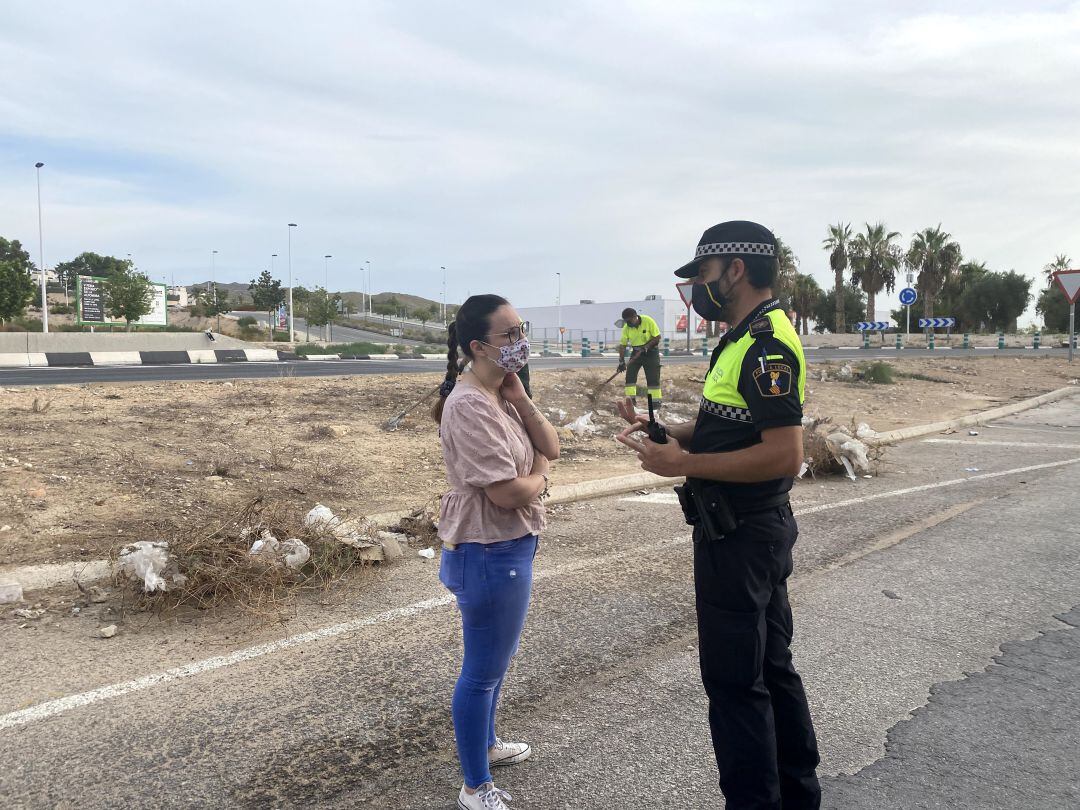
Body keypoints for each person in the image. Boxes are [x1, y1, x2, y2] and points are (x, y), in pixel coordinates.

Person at [617, 221, 821, 809]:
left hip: (741, 534)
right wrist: (665, 434)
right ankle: (795, 797)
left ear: (734, 269)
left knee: (736, 684)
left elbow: (785, 452)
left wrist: (682, 464)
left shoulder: (767, 345)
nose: (697, 288)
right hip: (747, 530)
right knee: (770, 669)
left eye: (703, 274)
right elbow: (731, 430)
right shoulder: (742, 337)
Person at [431, 294, 560, 810]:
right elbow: (508, 493)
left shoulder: (501, 394)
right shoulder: (467, 405)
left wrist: (522, 397)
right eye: (509, 335)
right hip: (488, 550)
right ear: (477, 346)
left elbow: (550, 444)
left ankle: (486, 746)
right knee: (482, 671)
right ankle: (475, 787)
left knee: (496, 663)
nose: (520, 343)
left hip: (510, 543)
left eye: (521, 330)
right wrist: (541, 479)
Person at [617, 307, 663, 408]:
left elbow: (657, 337)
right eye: (626, 321)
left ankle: (655, 403)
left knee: (653, 379)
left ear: (635, 317)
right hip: (636, 353)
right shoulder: (626, 328)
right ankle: (631, 402)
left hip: (651, 352)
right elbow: (623, 345)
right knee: (630, 377)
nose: (628, 324)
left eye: (629, 321)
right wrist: (621, 361)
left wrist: (646, 346)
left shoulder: (648, 321)